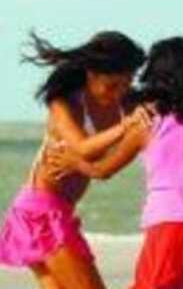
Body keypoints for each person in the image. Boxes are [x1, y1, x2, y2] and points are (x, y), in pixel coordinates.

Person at [49, 37, 183, 289]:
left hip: (168, 232)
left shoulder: (148, 125)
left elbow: (102, 170)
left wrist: (75, 162)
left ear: (156, 79)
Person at [0, 31, 147, 289]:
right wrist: (126, 126)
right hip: (41, 212)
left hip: (60, 212)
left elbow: (158, 114)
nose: (119, 93)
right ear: (91, 73)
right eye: (112, 85)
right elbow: (82, 148)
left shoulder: (126, 103)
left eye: (126, 84)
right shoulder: (65, 103)